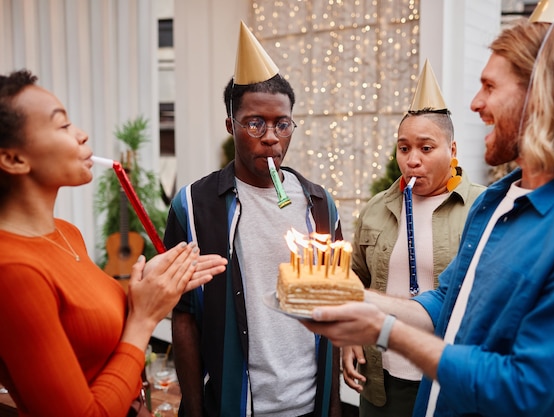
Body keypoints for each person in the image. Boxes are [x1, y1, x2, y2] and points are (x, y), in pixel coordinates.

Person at [301, 3, 554, 417]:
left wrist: (384, 331)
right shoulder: (497, 199)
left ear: (542, 96)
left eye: (490, 87)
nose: (475, 103)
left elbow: (525, 391)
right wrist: (355, 298)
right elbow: (445, 303)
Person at [0, 69, 228, 417]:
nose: (81, 135)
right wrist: (143, 319)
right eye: (62, 126)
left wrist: (152, 286)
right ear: (13, 159)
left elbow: (87, 325)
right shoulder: (12, 270)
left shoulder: (65, 233)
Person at [163, 22, 342, 417]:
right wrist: (193, 407)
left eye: (282, 123)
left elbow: (332, 303)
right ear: (231, 126)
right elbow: (184, 315)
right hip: (231, 402)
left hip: (307, 403)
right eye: (255, 123)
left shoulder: (320, 205)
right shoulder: (194, 205)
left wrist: (332, 405)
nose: (271, 137)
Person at [342, 60, 485, 417]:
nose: (412, 160)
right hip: (380, 379)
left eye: (426, 148)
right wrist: (349, 337)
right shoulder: (377, 208)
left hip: (446, 379)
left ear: (452, 151)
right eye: (404, 148)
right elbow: (353, 279)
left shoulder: (481, 208)